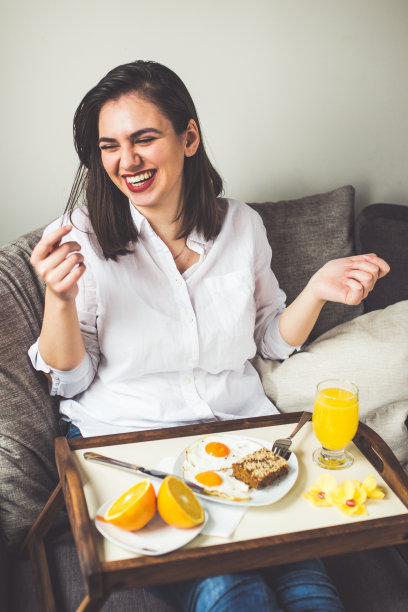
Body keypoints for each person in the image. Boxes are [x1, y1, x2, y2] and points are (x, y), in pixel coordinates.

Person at [29, 60, 388, 611]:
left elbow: (269, 341)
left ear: (188, 136)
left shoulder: (242, 226)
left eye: (143, 139)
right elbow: (69, 380)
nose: (126, 161)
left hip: (243, 443)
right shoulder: (83, 238)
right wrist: (59, 298)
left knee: (311, 590)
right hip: (137, 452)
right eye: (109, 146)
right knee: (231, 591)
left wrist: (316, 290)